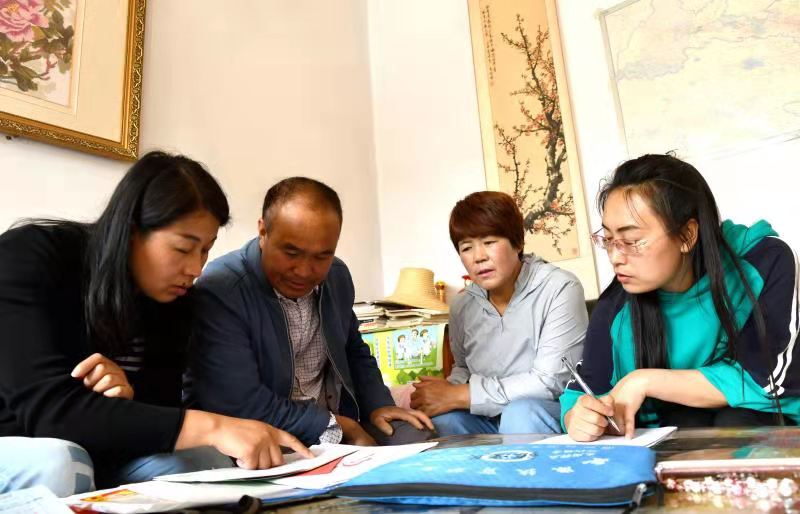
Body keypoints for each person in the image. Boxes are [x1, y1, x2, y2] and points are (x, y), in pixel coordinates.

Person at [0, 152, 310, 498]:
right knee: (60, 463)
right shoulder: (30, 257)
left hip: (95, 448)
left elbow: (160, 415)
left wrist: (127, 397)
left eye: (205, 250)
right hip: (21, 439)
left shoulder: (175, 303)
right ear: (132, 230)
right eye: (183, 249)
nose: (196, 269)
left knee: (202, 460)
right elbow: (48, 414)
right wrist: (215, 426)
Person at [562, 153, 800, 442]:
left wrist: (644, 380)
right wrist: (579, 417)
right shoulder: (617, 303)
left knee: (735, 422)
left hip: (772, 421)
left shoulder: (763, 261)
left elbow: (767, 380)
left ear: (687, 235)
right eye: (609, 239)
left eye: (632, 241)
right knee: (684, 422)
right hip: (677, 429)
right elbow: (582, 393)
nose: (615, 257)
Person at [185, 177, 433, 447]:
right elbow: (239, 401)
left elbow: (353, 350)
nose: (304, 271)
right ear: (263, 232)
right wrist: (340, 426)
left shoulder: (337, 276)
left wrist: (378, 404)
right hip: (261, 433)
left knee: (417, 439)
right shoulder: (224, 289)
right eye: (291, 253)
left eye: (322, 256)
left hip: (334, 422)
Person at [411, 191, 588, 435]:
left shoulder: (560, 287)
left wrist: (462, 395)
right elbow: (463, 368)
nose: (479, 257)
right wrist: (442, 394)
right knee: (442, 422)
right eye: (466, 247)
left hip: (546, 410)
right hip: (486, 417)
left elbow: (551, 382)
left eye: (489, 242)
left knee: (519, 414)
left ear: (518, 242)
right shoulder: (462, 305)